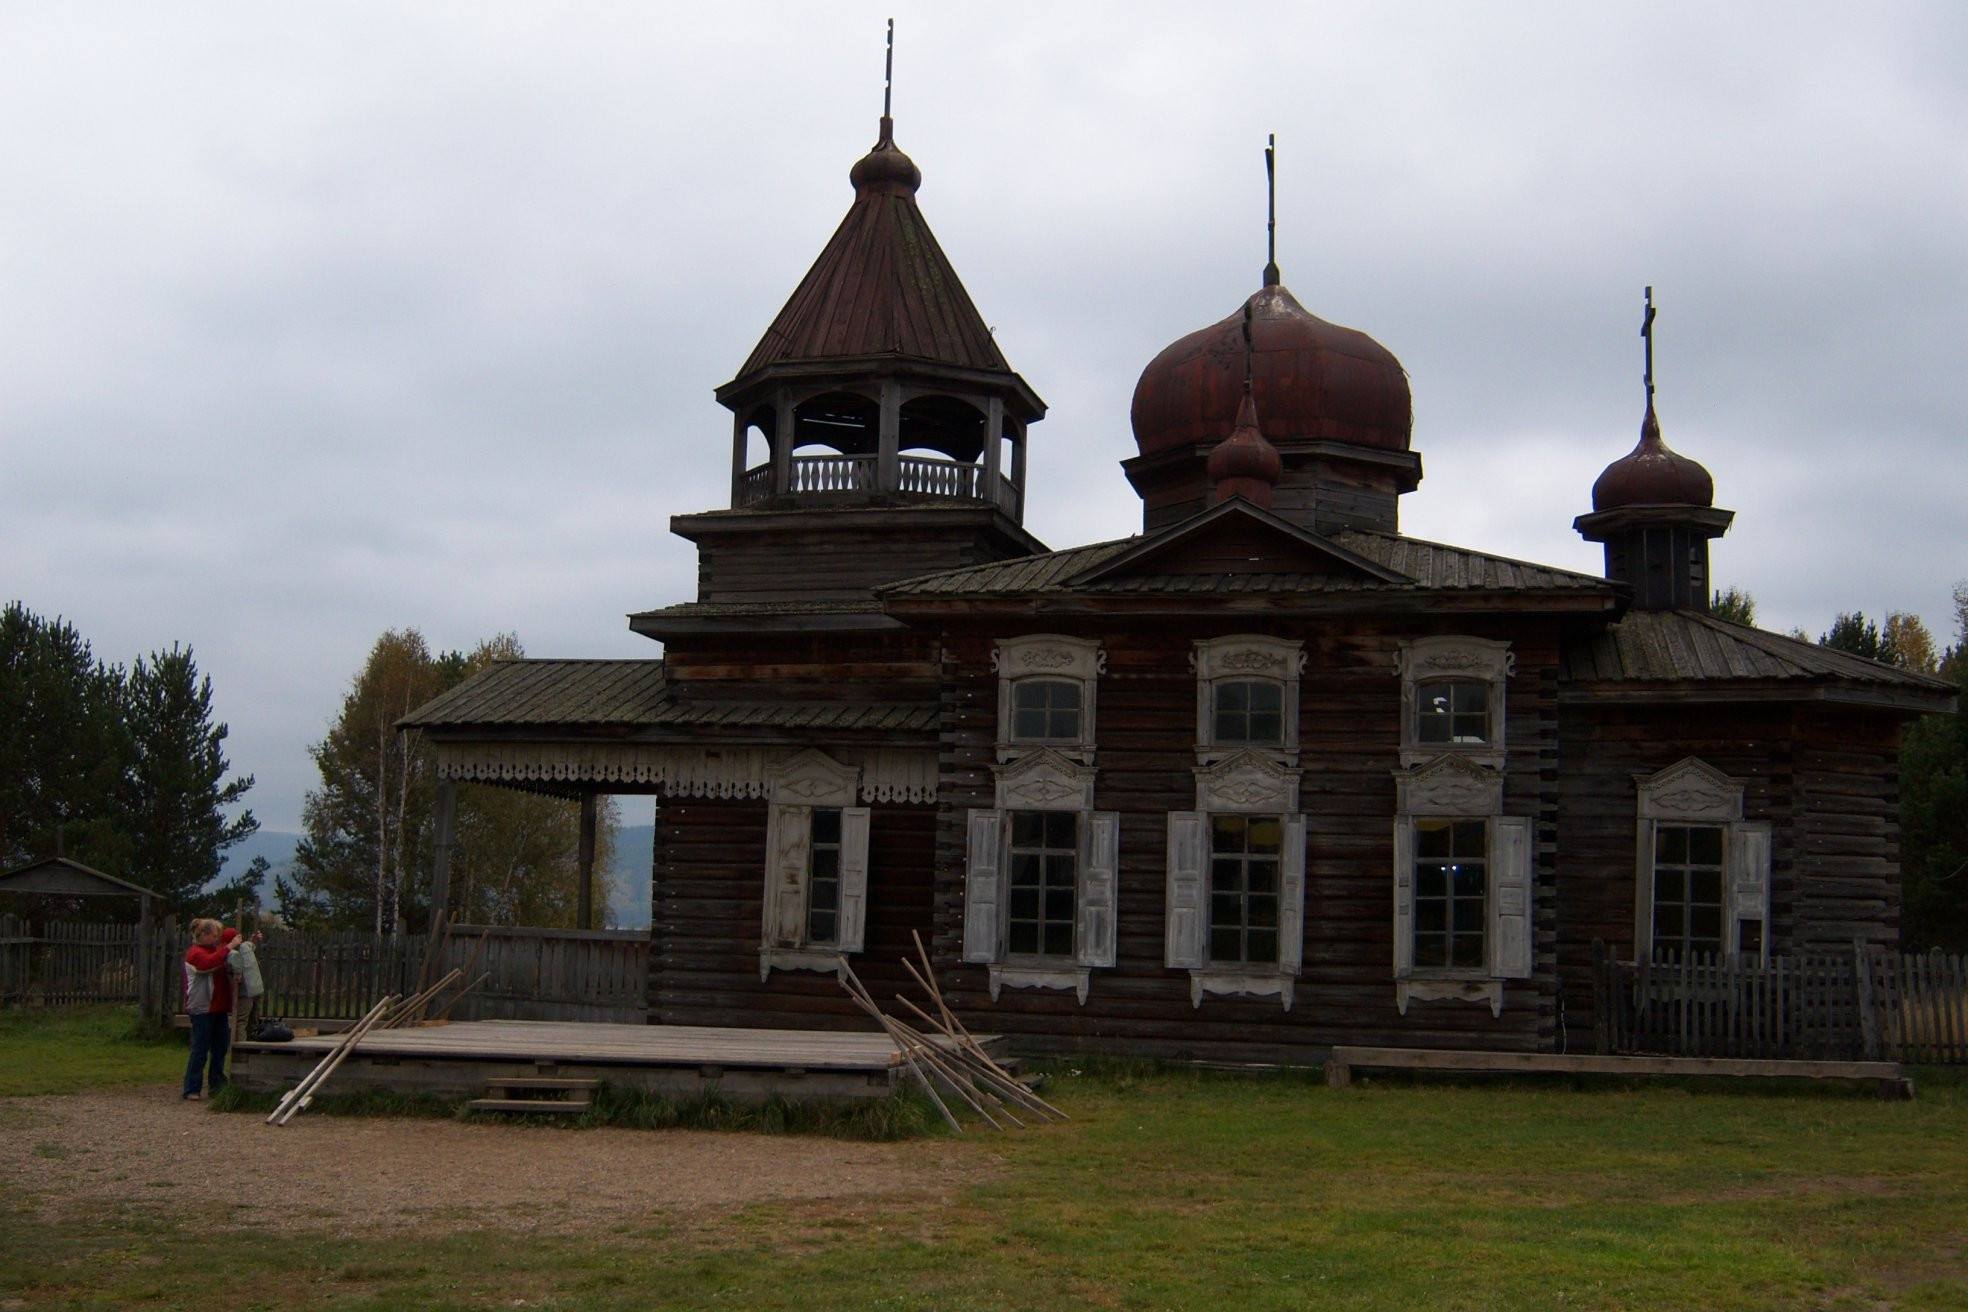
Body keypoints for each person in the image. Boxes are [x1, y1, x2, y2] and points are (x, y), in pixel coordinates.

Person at [182, 920, 241, 1100]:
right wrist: (230, 946)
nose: (217, 939)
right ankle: (192, 1087)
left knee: (220, 1048)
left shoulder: (215, 951)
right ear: (204, 935)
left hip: (219, 1007)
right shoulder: (195, 954)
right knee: (200, 1048)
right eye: (214, 935)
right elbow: (208, 963)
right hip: (202, 1008)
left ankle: (217, 1085)